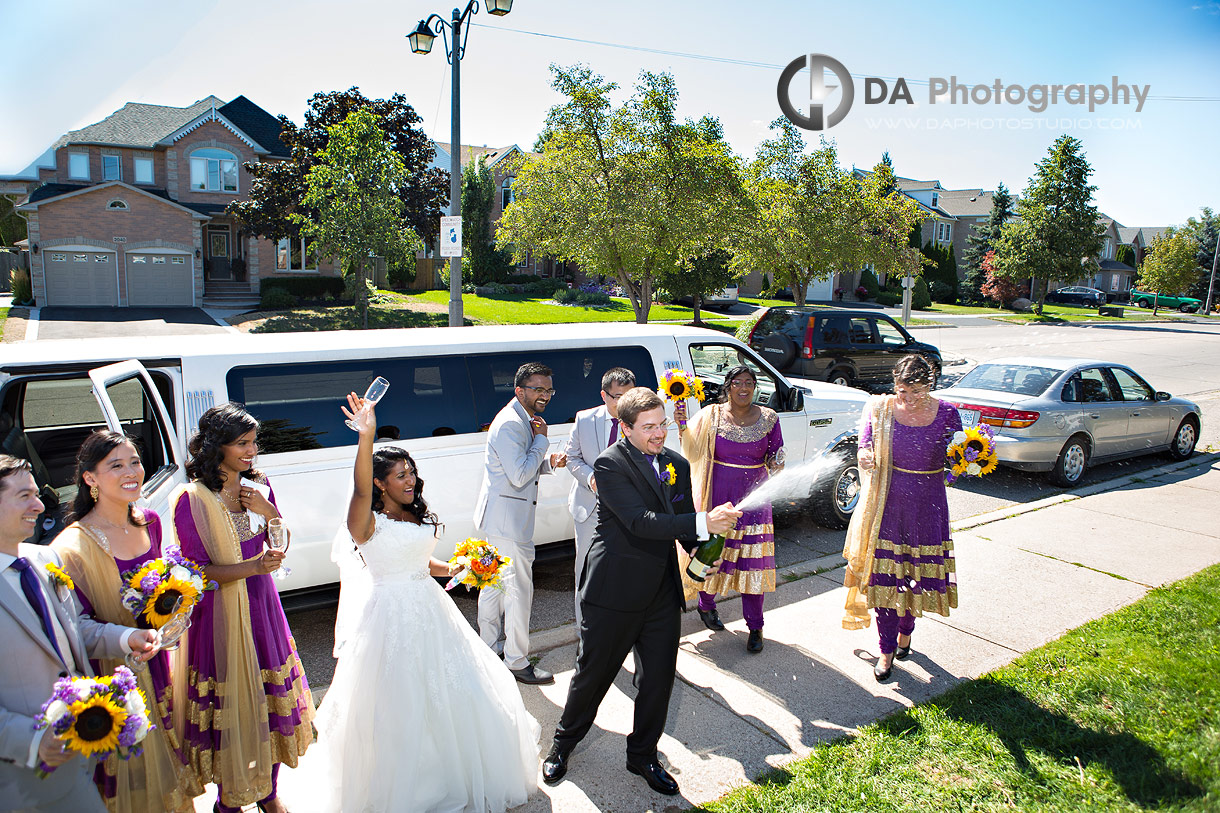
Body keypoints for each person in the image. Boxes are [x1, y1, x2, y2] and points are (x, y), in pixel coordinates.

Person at [283, 394, 540, 812]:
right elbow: (360, 487)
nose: (410, 481)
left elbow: (423, 563)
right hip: (389, 618)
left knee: (455, 692)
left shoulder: (414, 514)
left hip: (433, 610)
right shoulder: (365, 522)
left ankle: (455, 774)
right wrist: (366, 436)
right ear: (381, 483)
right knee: (398, 707)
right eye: (400, 475)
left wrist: (463, 565)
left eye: (412, 473)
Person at [541, 388, 741, 796]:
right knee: (593, 675)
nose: (658, 433)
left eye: (662, 423)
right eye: (648, 427)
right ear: (625, 427)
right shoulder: (609, 465)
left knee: (658, 679)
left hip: (660, 593)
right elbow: (640, 522)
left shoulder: (676, 464)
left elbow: (680, 521)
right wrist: (705, 522)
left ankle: (643, 755)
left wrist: (702, 551)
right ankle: (563, 745)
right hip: (612, 590)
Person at [168, 404, 314, 813]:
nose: (251, 452)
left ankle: (268, 793)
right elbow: (196, 573)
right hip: (220, 617)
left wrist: (269, 513)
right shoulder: (194, 499)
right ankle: (229, 801)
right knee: (230, 711)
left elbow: (281, 543)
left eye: (253, 443)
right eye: (241, 444)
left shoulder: (260, 487)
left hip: (262, 606)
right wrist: (251, 566)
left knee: (268, 704)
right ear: (217, 447)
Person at [51, 431, 203, 813]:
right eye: (115, 465)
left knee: (170, 759)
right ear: (90, 478)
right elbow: (74, 629)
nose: (131, 472)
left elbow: (162, 592)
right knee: (128, 777)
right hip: (114, 676)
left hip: (161, 663)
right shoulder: (70, 548)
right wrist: (128, 637)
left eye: (134, 461)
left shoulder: (149, 521)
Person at [0, 454, 159, 813]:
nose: (40, 505)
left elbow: (72, 628)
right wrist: (32, 740)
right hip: (16, 775)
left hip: (76, 766)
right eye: (24, 496)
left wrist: (124, 638)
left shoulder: (43, 560)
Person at [842, 355, 961, 682]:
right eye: (902, 391)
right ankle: (886, 650)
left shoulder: (948, 413)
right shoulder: (880, 409)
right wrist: (865, 456)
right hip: (888, 506)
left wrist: (966, 463)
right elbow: (865, 445)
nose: (908, 399)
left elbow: (958, 459)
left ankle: (906, 634)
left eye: (917, 392)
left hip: (928, 505)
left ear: (930, 384)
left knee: (914, 578)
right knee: (885, 581)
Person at [677, 365, 783, 653]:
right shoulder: (711, 415)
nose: (744, 388)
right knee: (714, 555)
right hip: (717, 497)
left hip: (755, 502)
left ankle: (756, 626)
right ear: (728, 386)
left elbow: (777, 454)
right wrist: (681, 425)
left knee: (753, 564)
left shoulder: (770, 418)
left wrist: (777, 463)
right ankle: (706, 605)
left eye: (749, 382)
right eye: (738, 382)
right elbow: (691, 447)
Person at [473, 362, 567, 685]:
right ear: (519, 391)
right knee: (517, 593)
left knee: (492, 589)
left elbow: (518, 468)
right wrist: (543, 441)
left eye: (549, 390)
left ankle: (488, 650)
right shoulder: (513, 425)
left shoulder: (519, 419)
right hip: (510, 526)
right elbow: (518, 475)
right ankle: (516, 660)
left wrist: (548, 462)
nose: (545, 396)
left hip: (498, 519)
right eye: (538, 389)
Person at [564, 366, 635, 628]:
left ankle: (622, 630)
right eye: (617, 397)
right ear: (604, 395)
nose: (623, 402)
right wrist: (592, 478)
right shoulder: (584, 419)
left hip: (629, 511)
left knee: (626, 572)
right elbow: (572, 457)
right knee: (587, 571)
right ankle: (587, 632)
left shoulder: (640, 421)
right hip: (589, 509)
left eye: (629, 396)